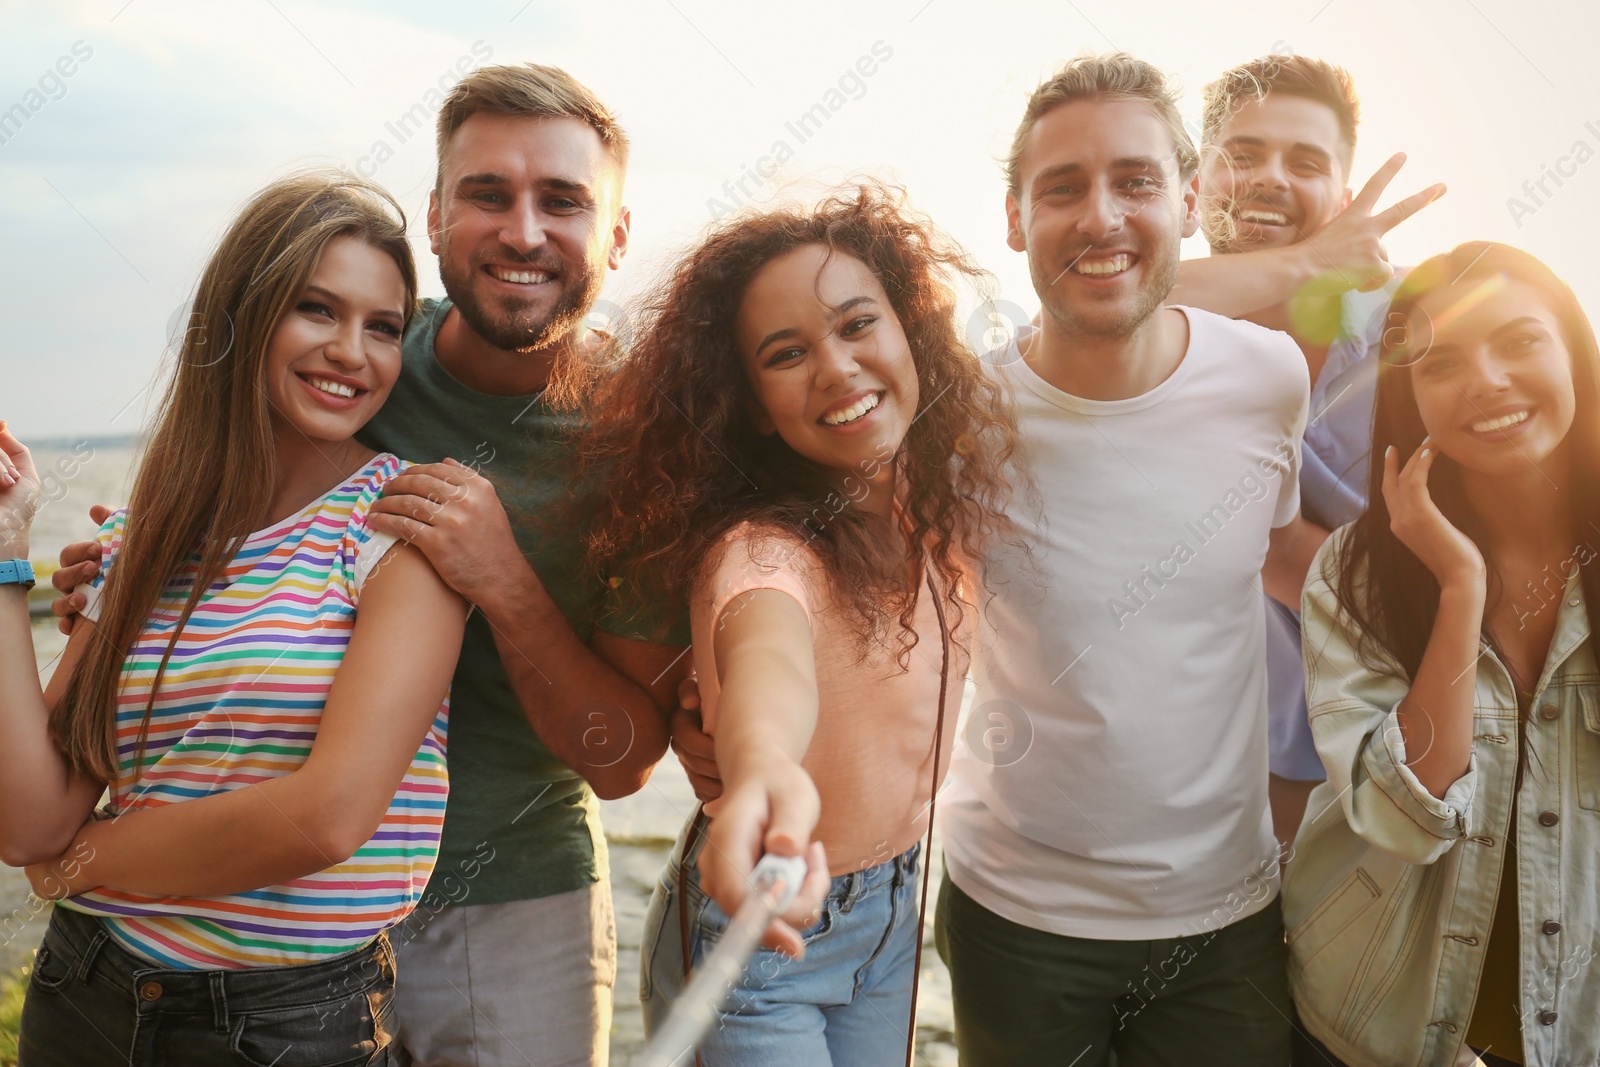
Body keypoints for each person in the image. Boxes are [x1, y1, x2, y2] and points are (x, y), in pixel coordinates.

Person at [48, 64, 691, 1067]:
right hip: (261, 909)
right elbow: (233, 499)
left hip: (511, 907)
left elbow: (621, 761)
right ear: (435, 218)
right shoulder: (364, 353)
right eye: (488, 193)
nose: (523, 231)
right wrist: (126, 571)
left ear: (614, 231)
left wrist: (506, 583)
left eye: (563, 199)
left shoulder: (650, 451)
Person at [0, 171, 468, 1066]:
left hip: (283, 1024)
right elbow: (28, 822)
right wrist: (6, 549)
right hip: (85, 989)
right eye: (317, 310)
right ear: (244, 316)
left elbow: (327, 817)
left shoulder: (403, 529)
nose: (353, 352)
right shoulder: (147, 533)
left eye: (382, 326)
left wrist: (82, 864)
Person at [932, 53, 1314, 1065]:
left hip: (1224, 916)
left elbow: (1269, 554)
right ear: (1014, 217)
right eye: (1061, 187)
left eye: (1135, 181)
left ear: (1188, 203)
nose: (1100, 217)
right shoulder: (962, 416)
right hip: (1012, 912)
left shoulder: (1267, 376)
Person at [579, 184, 1016, 1065]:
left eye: (859, 325)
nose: (838, 367)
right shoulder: (763, 550)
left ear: (912, 329)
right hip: (761, 931)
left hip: (895, 913)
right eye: (787, 353)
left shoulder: (947, 509)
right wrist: (762, 772)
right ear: (749, 402)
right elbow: (767, 659)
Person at [1284, 242, 1600, 1067]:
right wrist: (1460, 587)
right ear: (1409, 393)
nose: (1486, 380)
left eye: (1521, 342)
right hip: (1373, 1027)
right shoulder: (1358, 569)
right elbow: (1400, 816)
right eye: (1444, 361)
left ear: (1575, 351)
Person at [1176, 54, 1446, 849]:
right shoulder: (1162, 337)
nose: (1269, 178)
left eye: (1305, 162)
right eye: (1242, 155)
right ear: (1193, 184)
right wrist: (1301, 264)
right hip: (1197, 787)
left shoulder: (1417, 321)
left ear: (1346, 191)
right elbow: (1090, 300)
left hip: (1397, 769)